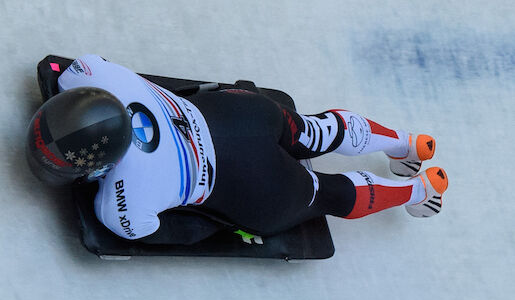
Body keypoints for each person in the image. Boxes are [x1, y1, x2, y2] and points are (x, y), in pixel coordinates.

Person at [26, 54, 448, 245]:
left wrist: (223, 221)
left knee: (324, 192)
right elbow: (78, 67)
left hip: (256, 184)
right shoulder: (89, 71)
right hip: (239, 112)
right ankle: (408, 143)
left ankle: (419, 191)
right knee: (310, 131)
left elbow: (182, 232)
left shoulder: (121, 206)